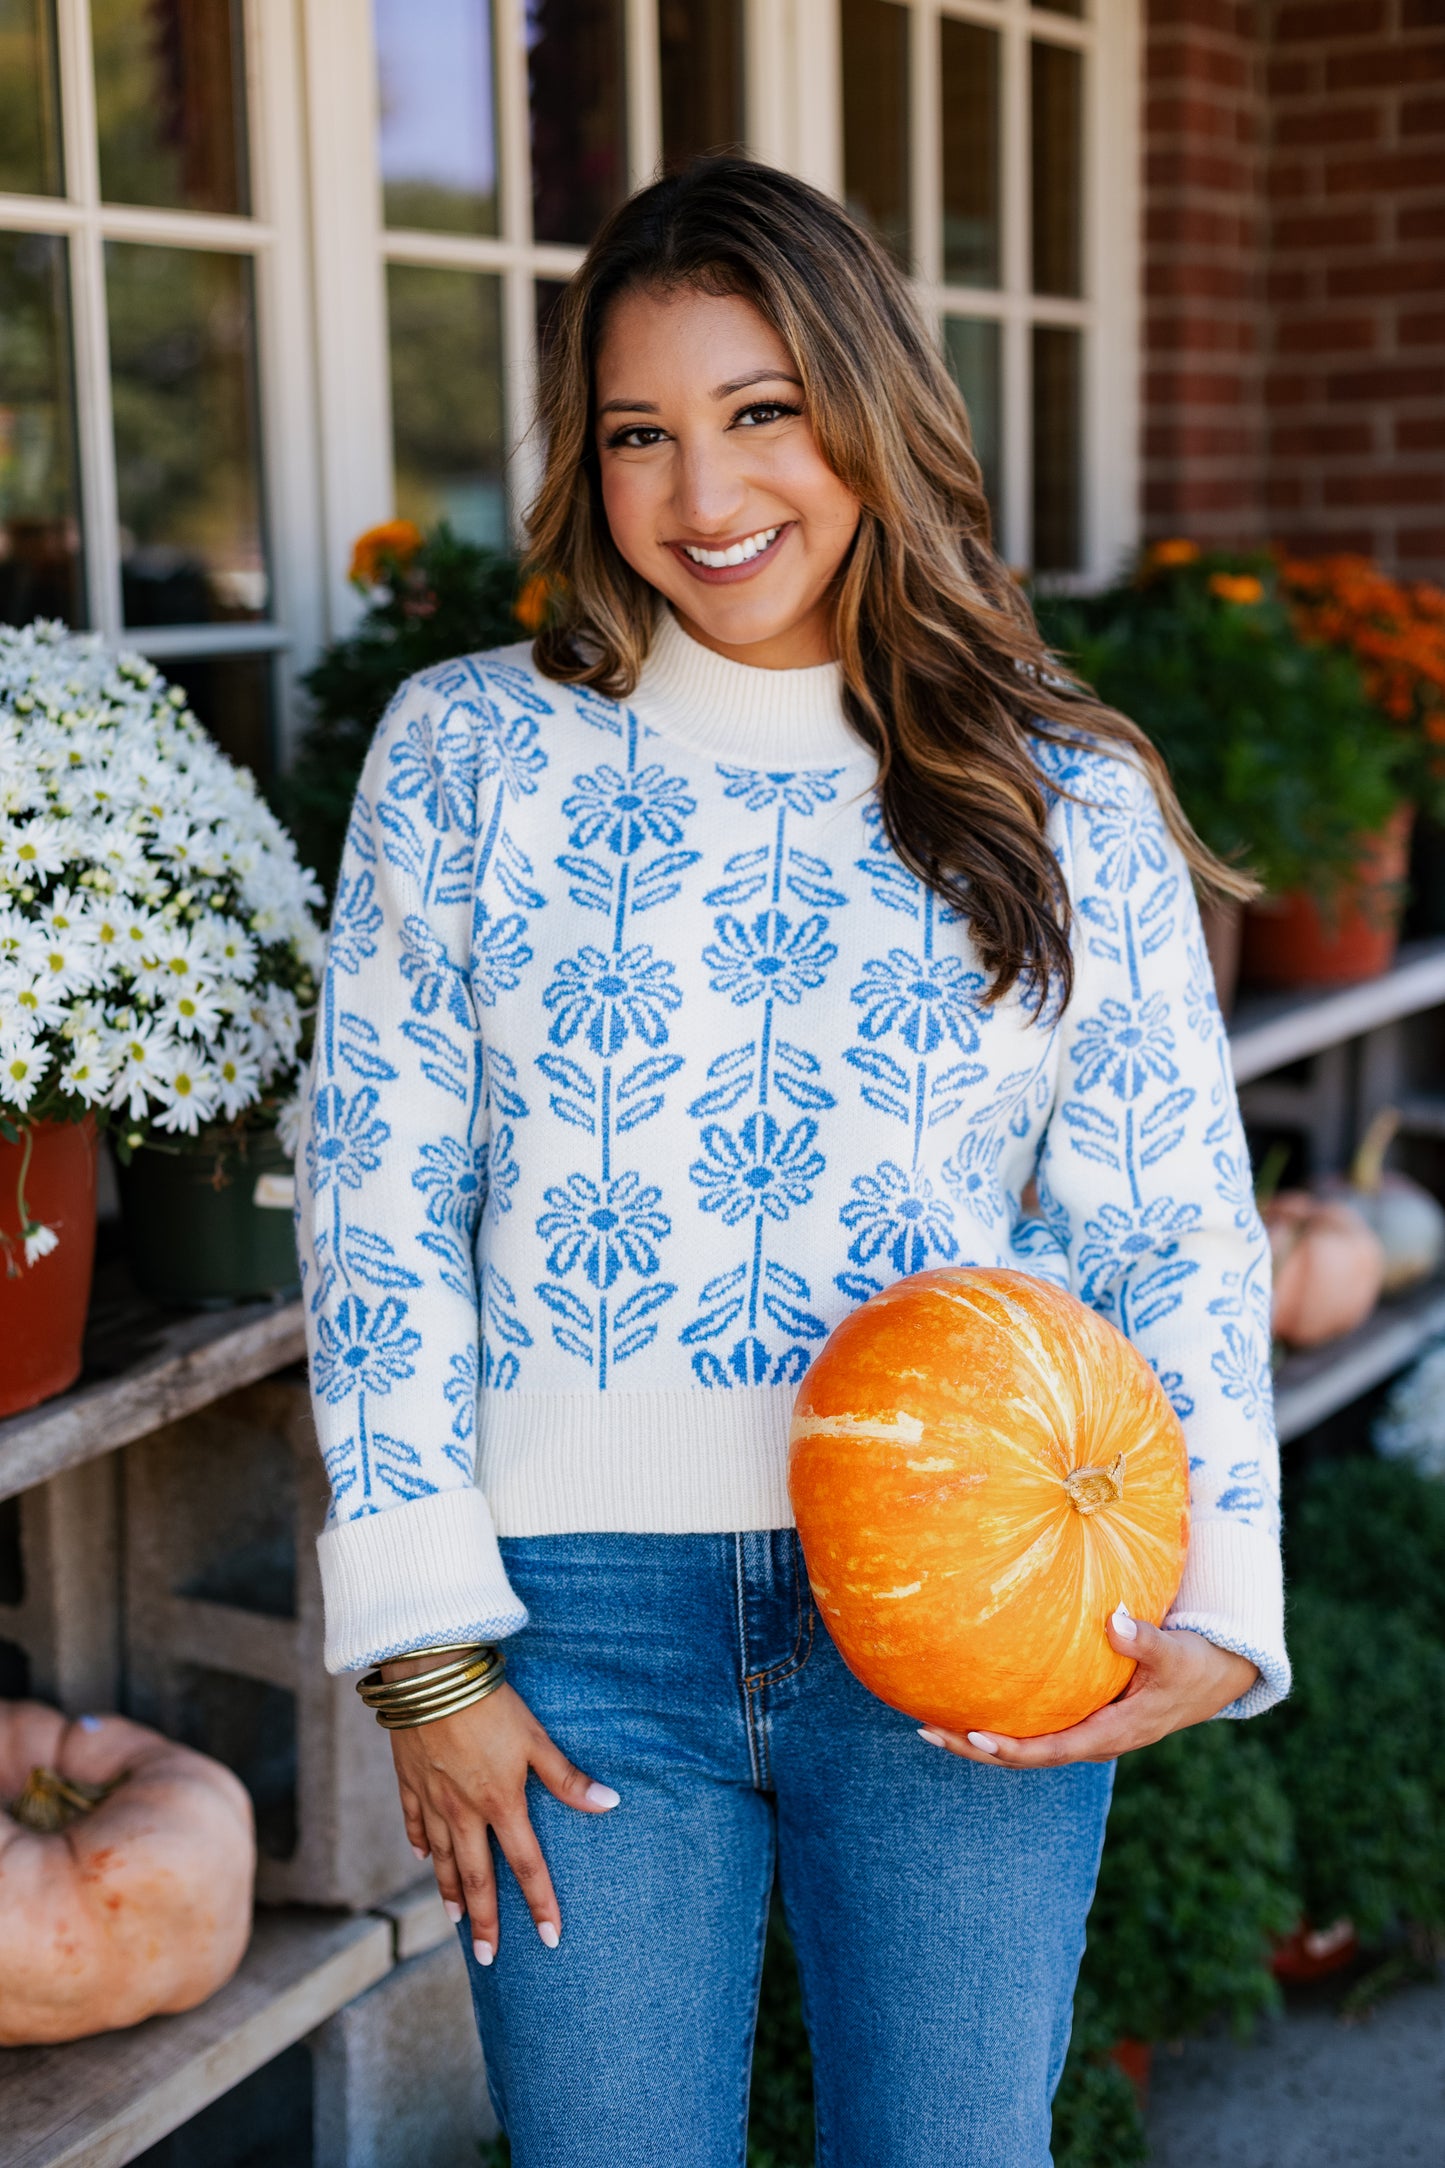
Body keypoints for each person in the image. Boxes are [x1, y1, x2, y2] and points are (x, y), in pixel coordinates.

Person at [296, 155, 1287, 2166]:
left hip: (974, 1607)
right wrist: (421, 1648)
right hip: (572, 1636)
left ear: (869, 409)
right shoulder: (467, 756)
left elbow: (1170, 1213)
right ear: (588, 462)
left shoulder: (1059, 790)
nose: (703, 493)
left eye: (763, 411)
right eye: (640, 432)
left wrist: (1219, 1595)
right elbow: (374, 1195)